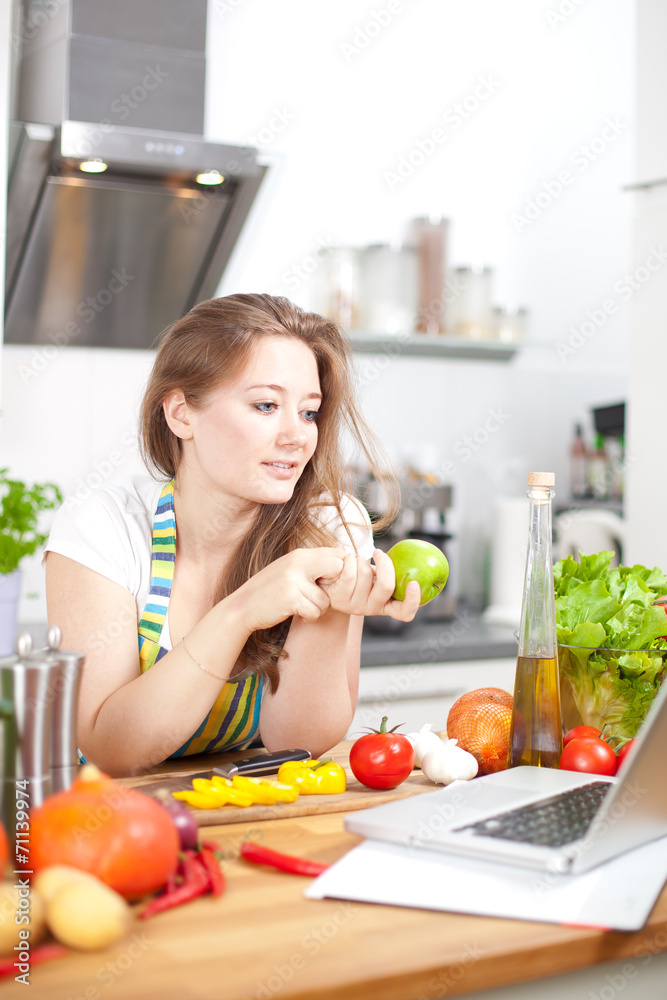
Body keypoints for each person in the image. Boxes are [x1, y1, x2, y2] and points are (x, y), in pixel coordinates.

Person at [45, 294, 420, 776]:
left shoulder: (331, 524)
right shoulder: (105, 527)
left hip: (235, 810)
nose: (298, 436)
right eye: (266, 405)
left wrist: (332, 609)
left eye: (309, 413)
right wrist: (242, 611)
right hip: (102, 818)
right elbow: (112, 749)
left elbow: (297, 744)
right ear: (181, 413)